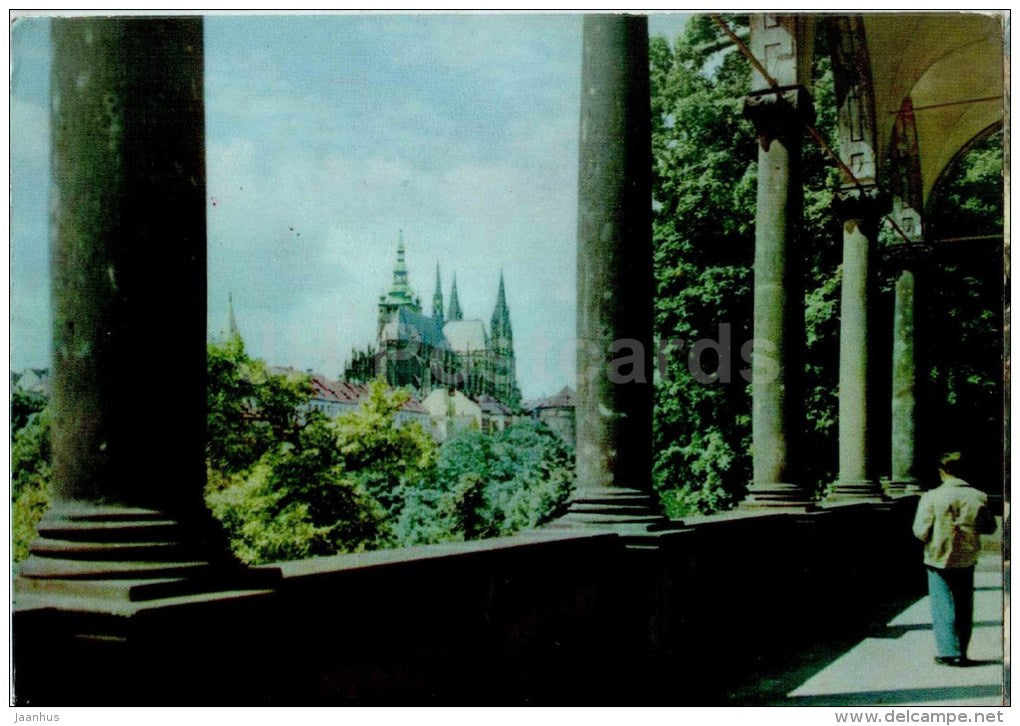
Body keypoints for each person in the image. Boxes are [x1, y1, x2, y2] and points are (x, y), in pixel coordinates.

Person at [912, 452, 996, 666]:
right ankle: (963, 651)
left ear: (942, 471)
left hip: (937, 556)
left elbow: (920, 531)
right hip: (966, 556)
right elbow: (989, 527)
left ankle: (948, 651)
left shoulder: (931, 497)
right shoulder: (979, 496)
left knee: (942, 605)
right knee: (964, 605)